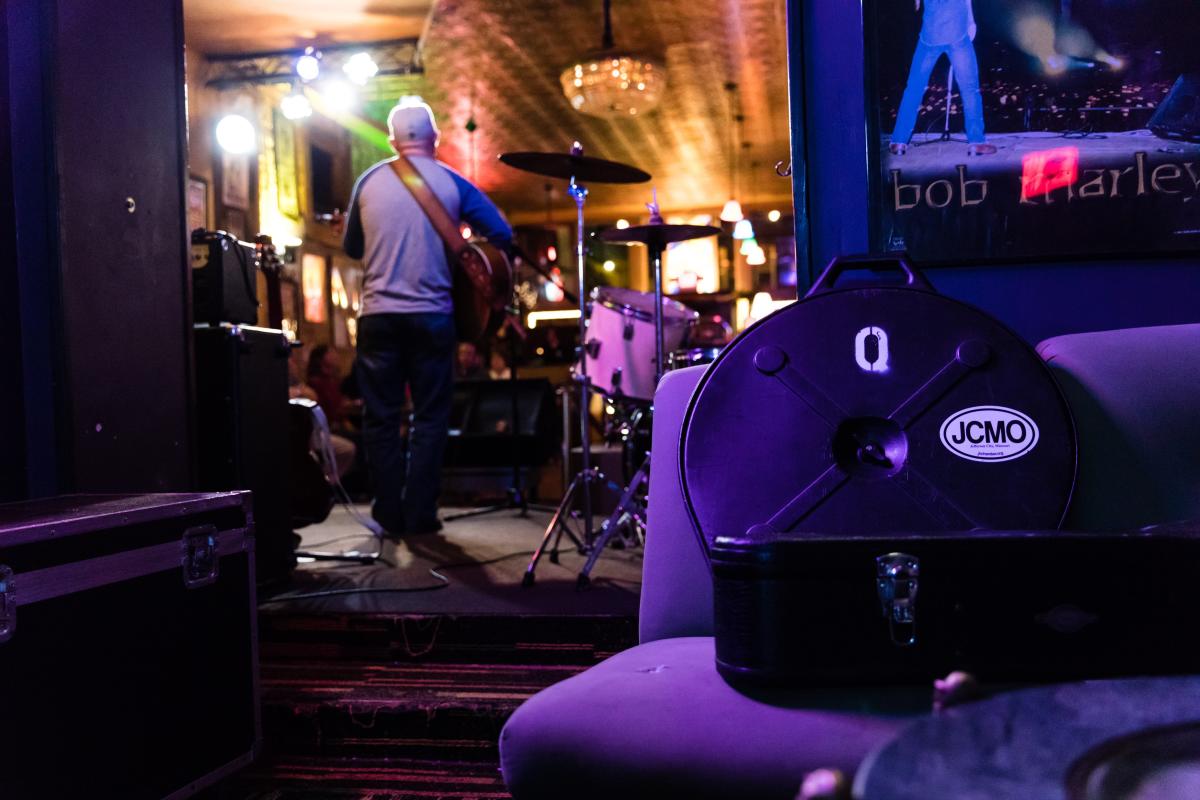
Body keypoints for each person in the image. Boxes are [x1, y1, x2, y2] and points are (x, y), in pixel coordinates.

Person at [343, 98, 513, 537]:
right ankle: (419, 514)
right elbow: (504, 234)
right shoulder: (453, 183)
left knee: (380, 418)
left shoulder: (368, 182)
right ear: (435, 139)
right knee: (430, 418)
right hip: (433, 316)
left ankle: (387, 513)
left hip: (378, 316)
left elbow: (351, 248)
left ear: (392, 140)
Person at [889, 0, 997, 156]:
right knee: (970, 90)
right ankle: (976, 142)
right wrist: (971, 21)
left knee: (913, 88)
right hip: (957, 31)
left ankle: (899, 141)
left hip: (930, 33)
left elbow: (916, 6)